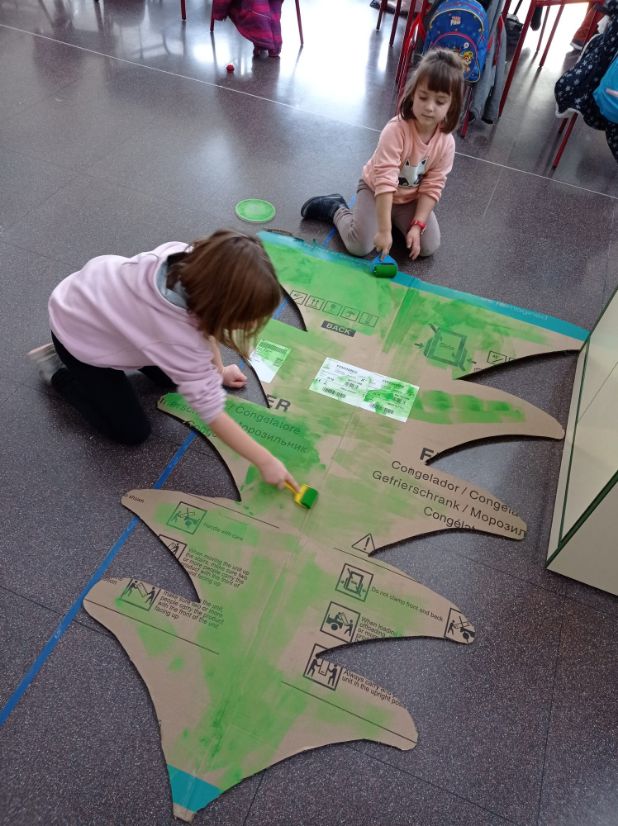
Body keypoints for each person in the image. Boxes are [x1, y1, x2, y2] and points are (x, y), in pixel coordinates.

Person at [28, 229, 298, 490]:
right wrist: (265, 460)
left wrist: (218, 372)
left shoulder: (187, 259)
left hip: (98, 306)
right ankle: (58, 371)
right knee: (132, 432)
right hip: (77, 336)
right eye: (244, 318)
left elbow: (206, 328)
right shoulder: (177, 336)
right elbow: (211, 410)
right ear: (218, 309)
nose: (249, 324)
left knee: (172, 379)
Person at [300, 48, 465, 262]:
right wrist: (384, 231)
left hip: (409, 199)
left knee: (428, 246)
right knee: (359, 246)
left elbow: (433, 185)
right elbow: (385, 181)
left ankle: (392, 221)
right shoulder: (395, 130)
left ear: (452, 105)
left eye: (440, 102)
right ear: (413, 94)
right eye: (423, 97)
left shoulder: (446, 143)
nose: (429, 107)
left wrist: (417, 224)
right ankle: (336, 209)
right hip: (375, 190)